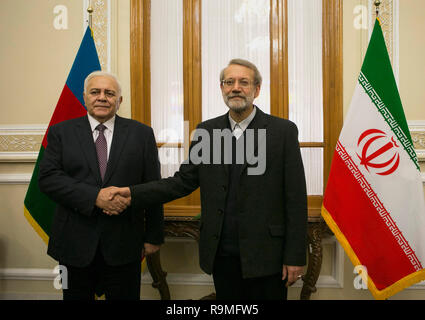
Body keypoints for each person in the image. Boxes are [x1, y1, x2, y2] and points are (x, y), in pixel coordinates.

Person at [108, 59, 307, 300]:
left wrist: (295, 257)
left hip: (267, 255)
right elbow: (182, 182)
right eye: (229, 82)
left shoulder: (282, 132)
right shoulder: (208, 131)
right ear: (222, 88)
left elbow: (295, 198)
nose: (235, 87)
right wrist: (133, 193)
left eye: (244, 82)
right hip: (221, 254)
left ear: (256, 90)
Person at [38, 71, 164, 300]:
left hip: (125, 242)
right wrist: (94, 196)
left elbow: (153, 187)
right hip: (74, 242)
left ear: (119, 101)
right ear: (85, 97)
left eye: (109, 93)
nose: (102, 97)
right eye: (95, 92)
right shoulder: (61, 132)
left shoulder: (142, 134)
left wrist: (154, 236)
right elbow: (48, 179)